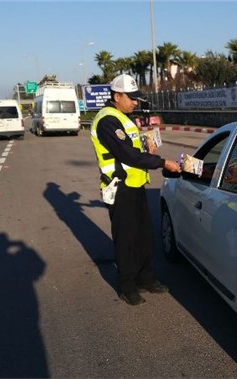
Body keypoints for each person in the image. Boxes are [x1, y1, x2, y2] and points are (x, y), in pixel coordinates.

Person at [89, 74, 181, 306]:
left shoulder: (123, 117)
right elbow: (126, 154)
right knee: (127, 239)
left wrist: (147, 146)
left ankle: (146, 278)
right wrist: (161, 162)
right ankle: (127, 285)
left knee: (144, 236)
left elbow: (133, 147)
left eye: (136, 99)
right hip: (120, 188)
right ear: (116, 96)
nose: (135, 103)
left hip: (136, 184)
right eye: (131, 98)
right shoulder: (107, 121)